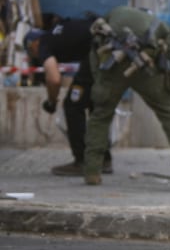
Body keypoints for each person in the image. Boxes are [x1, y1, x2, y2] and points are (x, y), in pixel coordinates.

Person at [83, 6, 170, 186]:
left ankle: (92, 173)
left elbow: (95, 48)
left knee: (100, 116)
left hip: (113, 70)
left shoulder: (114, 13)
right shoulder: (161, 26)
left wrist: (100, 81)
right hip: (147, 71)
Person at [24, 14, 113, 176]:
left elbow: (54, 79)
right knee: (94, 103)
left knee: (73, 105)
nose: (35, 57)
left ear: (33, 43)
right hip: (106, 49)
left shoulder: (44, 43)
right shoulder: (56, 34)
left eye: (32, 52)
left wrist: (51, 102)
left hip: (97, 51)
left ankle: (82, 161)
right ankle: (104, 159)